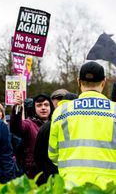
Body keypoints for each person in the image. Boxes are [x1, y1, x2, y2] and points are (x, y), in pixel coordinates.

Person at [49, 61, 116, 189]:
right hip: (109, 187)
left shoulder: (61, 112)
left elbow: (53, 153)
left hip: (71, 186)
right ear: (104, 82)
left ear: (79, 82)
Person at [34, 92, 77, 185]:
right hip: (69, 174)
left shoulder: (48, 126)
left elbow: (38, 156)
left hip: (52, 176)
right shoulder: (81, 125)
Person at [10, 93, 54, 179]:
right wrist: (17, 109)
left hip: (52, 170)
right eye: (39, 105)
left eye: (46, 105)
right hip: (34, 173)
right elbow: (16, 128)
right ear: (34, 109)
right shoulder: (29, 124)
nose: (43, 108)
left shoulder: (56, 123)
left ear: (51, 107)